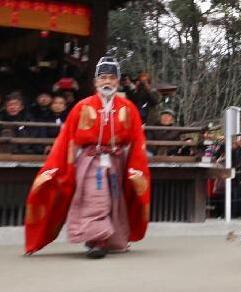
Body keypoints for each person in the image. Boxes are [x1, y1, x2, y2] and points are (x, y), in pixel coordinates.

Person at [24, 57, 151, 258]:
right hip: (90, 159)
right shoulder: (82, 106)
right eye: (102, 78)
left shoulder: (128, 108)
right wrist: (62, 165)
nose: (107, 82)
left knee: (114, 200)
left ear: (117, 82)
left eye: (111, 78)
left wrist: (134, 167)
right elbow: (67, 138)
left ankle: (108, 239)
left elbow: (136, 139)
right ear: (95, 82)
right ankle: (97, 241)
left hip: (116, 159)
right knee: (95, 196)